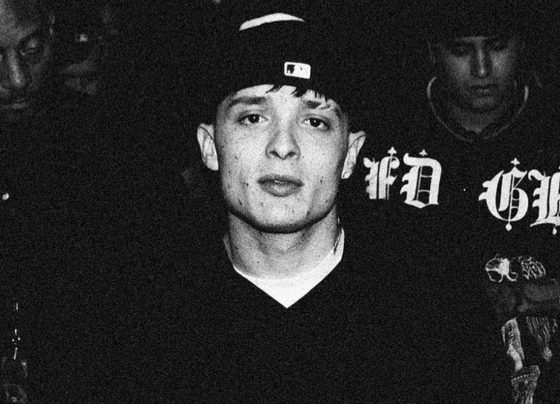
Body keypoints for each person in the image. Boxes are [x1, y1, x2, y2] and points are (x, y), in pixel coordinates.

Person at [133, 5, 441, 402]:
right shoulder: (148, 320)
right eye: (253, 118)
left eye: (314, 122)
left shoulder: (424, 310)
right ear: (210, 147)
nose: (283, 146)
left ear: (350, 154)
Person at [356, 0, 560, 401]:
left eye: (497, 46)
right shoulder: (381, 138)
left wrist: (534, 294)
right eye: (462, 49)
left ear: (521, 45)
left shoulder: (551, 131)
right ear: (433, 51)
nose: (482, 69)